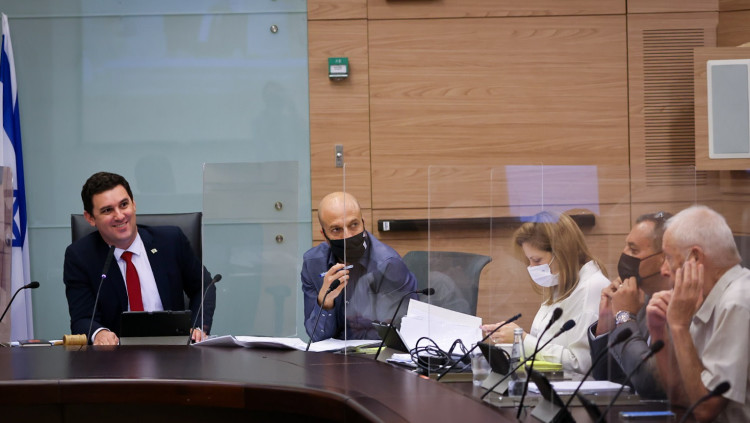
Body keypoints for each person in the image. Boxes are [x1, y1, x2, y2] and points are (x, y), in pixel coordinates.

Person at [64, 172, 216, 345]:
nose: (119, 216)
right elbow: (82, 318)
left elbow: (204, 286)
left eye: (124, 205)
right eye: (107, 210)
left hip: (174, 351)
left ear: (134, 204)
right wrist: (99, 333)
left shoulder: (171, 241)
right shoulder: (81, 256)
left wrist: (197, 327)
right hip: (116, 356)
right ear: (90, 218)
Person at [647, 205, 749, 422]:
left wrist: (678, 326)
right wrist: (658, 331)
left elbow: (705, 409)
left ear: (694, 257)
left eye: (668, 258)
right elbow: (681, 400)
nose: (663, 270)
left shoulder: (738, 301)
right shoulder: (704, 299)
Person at [481, 211, 609, 375]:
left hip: (572, 388)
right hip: (545, 382)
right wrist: (511, 340)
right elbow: (543, 346)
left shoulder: (593, 288)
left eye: (537, 260)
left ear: (562, 253)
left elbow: (581, 364)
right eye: (529, 260)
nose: (532, 268)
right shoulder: (562, 284)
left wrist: (522, 339)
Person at [301, 192, 417, 341]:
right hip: (332, 354)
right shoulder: (313, 264)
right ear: (324, 235)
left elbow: (401, 334)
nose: (348, 236)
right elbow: (316, 336)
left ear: (363, 223)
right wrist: (326, 303)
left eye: (354, 225)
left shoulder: (388, 264)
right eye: (336, 229)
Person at [588, 212, 671, 398]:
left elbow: (650, 385)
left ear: (664, 258)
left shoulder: (683, 306)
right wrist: (606, 324)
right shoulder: (640, 298)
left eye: (633, 250)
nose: (624, 254)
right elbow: (608, 378)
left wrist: (625, 317)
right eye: (625, 246)